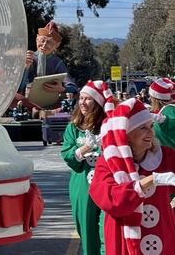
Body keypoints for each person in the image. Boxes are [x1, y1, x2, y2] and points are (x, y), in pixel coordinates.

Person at [89, 98, 175, 255]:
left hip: (161, 233)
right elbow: (110, 201)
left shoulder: (166, 156)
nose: (151, 132)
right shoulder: (109, 162)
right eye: (143, 128)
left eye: (151, 126)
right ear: (125, 135)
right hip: (123, 237)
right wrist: (149, 181)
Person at [60, 80, 114, 255]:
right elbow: (67, 154)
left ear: (98, 103)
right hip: (82, 185)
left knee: (107, 230)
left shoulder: (110, 126)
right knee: (86, 230)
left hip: (108, 185)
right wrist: (85, 149)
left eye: (88, 99)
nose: (82, 102)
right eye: (81, 98)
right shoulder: (73, 128)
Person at [16, 21, 78, 106]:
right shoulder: (29, 58)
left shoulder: (56, 62)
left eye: (49, 42)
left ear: (57, 45)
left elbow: (73, 87)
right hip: (27, 102)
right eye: (42, 40)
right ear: (37, 39)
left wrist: (62, 88)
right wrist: (25, 67)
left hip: (50, 101)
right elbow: (18, 87)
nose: (44, 45)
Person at [149, 78, 175, 149]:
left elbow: (172, 123)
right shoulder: (165, 110)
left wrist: (163, 121)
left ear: (155, 98)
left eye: (150, 97)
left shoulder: (169, 110)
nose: (149, 99)